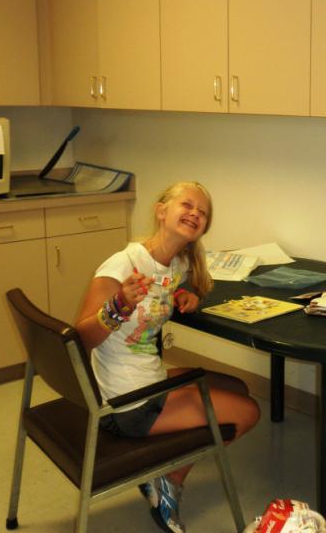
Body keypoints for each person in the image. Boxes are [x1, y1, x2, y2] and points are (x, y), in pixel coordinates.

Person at [75, 180, 260, 533]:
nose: (195, 213)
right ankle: (168, 481)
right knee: (248, 412)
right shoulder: (123, 264)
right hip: (128, 403)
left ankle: (164, 472)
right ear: (161, 211)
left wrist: (189, 295)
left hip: (147, 379)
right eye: (186, 205)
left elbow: (179, 284)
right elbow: (79, 340)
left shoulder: (176, 264)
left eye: (202, 212)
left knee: (236, 386)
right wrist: (118, 305)